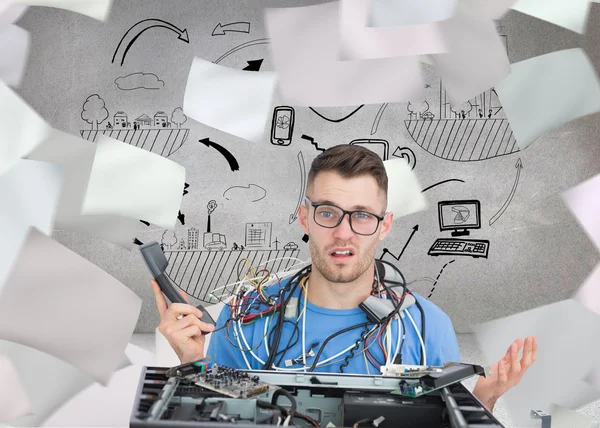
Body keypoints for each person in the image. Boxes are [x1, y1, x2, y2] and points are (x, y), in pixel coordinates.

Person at [151, 144, 537, 411]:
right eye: (328, 212)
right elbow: (224, 415)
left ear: (384, 226)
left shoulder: (425, 327)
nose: (344, 232)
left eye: (362, 215)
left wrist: (481, 402)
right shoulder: (244, 317)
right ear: (305, 218)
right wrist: (193, 363)